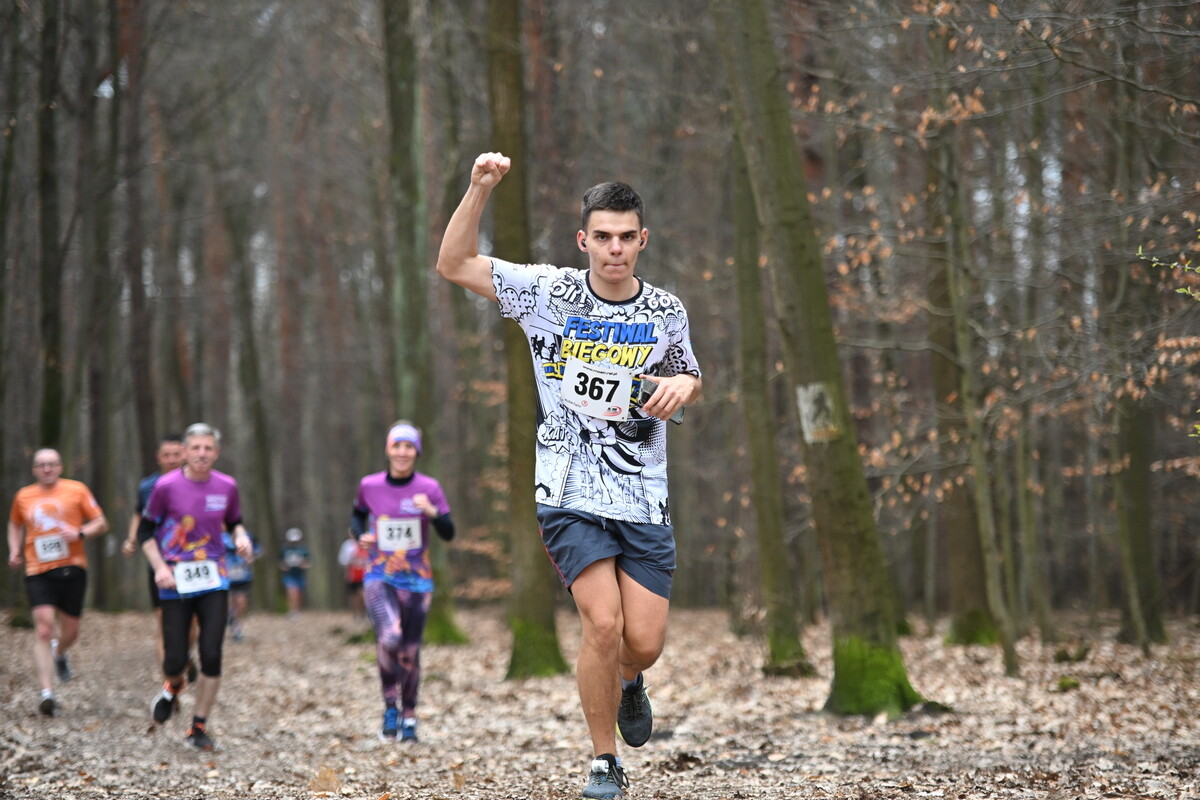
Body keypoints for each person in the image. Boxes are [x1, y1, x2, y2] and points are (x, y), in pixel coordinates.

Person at [436, 153, 702, 799]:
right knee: (602, 626)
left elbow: (688, 372)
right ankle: (603, 762)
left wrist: (680, 387)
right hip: (568, 489)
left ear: (643, 240)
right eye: (602, 237)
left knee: (642, 643)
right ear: (584, 240)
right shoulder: (548, 292)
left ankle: (630, 682)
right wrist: (478, 189)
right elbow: (453, 264)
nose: (615, 249)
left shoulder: (666, 309)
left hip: (642, 493)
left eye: (626, 237)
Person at [138, 422, 253, 751]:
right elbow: (146, 533)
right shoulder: (166, 486)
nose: (202, 454)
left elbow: (234, 521)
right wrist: (160, 567)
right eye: (196, 448)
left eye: (208, 448)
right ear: (185, 452)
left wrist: (241, 537)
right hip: (174, 580)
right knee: (174, 661)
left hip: (214, 578)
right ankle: (172, 687)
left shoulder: (227, 486)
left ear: (216, 453)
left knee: (212, 653)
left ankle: (198, 726)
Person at [349, 421, 454, 743]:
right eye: (397, 445)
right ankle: (389, 706)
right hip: (379, 575)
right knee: (390, 637)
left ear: (416, 452)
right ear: (388, 449)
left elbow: (449, 533)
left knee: (410, 651)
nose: (403, 452)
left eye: (409, 446)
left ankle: (407, 716)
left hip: (417, 581)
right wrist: (360, 535)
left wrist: (433, 512)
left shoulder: (430, 487)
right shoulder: (369, 485)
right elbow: (356, 515)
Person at [6, 448, 109, 716]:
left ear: (60, 467)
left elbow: (101, 522)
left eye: (51, 464)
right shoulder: (24, 496)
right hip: (37, 568)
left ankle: (60, 653)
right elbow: (14, 524)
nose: (47, 469)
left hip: (72, 567)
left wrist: (80, 532)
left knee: (71, 631)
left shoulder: (77, 490)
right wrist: (14, 549)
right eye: (41, 465)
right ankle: (46, 693)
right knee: (43, 628)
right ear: (34, 470)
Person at [121, 434, 198, 680]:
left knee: (192, 625)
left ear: (185, 454)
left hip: (194, 561)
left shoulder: (198, 481)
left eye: (177, 454)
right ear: (158, 457)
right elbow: (138, 516)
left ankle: (184, 654)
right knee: (165, 624)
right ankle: (169, 685)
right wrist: (132, 539)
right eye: (167, 455)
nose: (172, 460)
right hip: (160, 562)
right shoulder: (147, 486)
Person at [224, 528, 259, 641]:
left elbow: (258, 549)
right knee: (227, 602)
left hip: (243, 575)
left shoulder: (247, 536)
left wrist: (251, 556)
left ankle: (237, 627)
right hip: (225, 576)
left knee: (241, 603)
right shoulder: (220, 536)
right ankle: (230, 617)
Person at [279, 527, 310, 619]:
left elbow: (308, 562)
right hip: (289, 575)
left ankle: (297, 610)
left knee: (299, 594)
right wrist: (284, 566)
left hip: (300, 575)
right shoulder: (285, 549)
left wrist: (303, 564)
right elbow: (281, 562)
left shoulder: (303, 549)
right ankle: (292, 611)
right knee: (292, 592)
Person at [338, 529, 370, 618]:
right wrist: (351, 560)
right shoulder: (347, 546)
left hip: (364, 575)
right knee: (353, 595)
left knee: (362, 593)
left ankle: (361, 612)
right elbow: (342, 561)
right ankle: (355, 612)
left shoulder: (365, 543)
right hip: (351, 575)